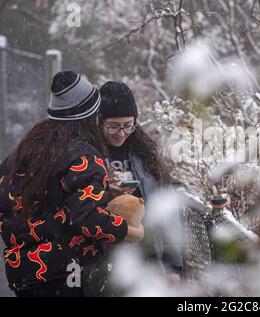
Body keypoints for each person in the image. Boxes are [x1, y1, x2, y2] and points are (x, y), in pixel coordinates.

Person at [0, 71, 144, 297]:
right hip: (68, 274)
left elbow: (39, 198)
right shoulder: (84, 155)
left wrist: (102, 192)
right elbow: (86, 218)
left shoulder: (27, 148)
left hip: (25, 273)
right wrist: (130, 232)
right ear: (88, 116)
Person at [98, 81, 183, 285]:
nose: (121, 133)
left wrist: (172, 265)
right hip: (105, 260)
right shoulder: (88, 155)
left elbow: (167, 210)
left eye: (128, 125)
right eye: (114, 126)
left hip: (149, 257)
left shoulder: (146, 155)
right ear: (100, 121)